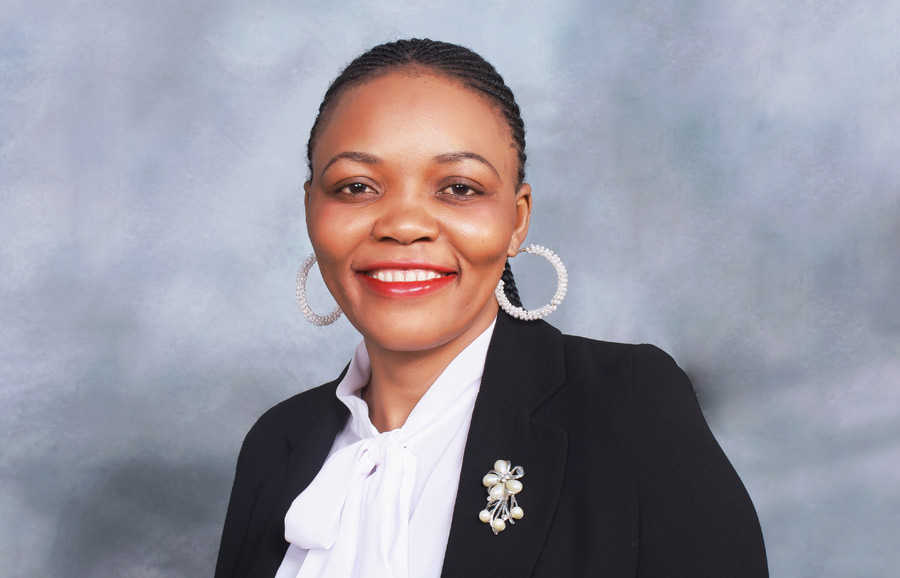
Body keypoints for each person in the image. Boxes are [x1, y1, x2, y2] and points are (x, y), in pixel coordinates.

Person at [215, 39, 768, 578]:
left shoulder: (629, 406)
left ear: (517, 219)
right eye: (357, 187)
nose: (404, 226)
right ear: (311, 208)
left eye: (458, 188)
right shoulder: (276, 443)